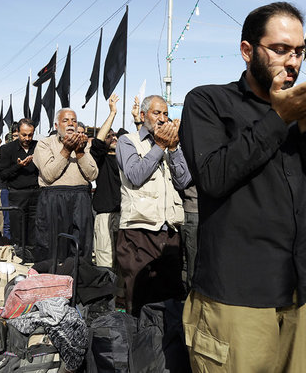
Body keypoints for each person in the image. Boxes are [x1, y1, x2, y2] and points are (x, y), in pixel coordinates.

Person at [178, 2, 306, 372]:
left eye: (299, 52)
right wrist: (280, 118)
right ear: (248, 51)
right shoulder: (209, 101)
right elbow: (214, 177)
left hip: (300, 292)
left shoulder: (301, 117)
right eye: (280, 49)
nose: (292, 62)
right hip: (237, 298)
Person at [116, 94, 191, 315]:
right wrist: (158, 146)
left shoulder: (170, 145)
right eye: (156, 113)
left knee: (171, 295)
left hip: (169, 231)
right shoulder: (128, 141)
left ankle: (164, 346)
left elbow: (184, 180)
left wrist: (174, 149)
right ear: (142, 115)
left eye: (166, 114)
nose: (162, 118)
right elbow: (135, 175)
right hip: (138, 230)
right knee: (139, 295)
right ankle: (138, 342)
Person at [33, 108, 98, 262]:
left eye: (74, 121)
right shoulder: (45, 144)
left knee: (81, 244)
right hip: (54, 199)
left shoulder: (83, 145)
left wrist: (80, 152)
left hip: (80, 198)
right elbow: (49, 175)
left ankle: (79, 280)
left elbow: (93, 174)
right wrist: (66, 150)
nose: (70, 124)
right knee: (53, 246)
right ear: (56, 126)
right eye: (65, 120)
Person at [0, 118, 40, 253]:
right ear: (17, 132)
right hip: (17, 194)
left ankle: (32, 256)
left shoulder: (38, 147)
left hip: (36, 194)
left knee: (34, 228)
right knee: (17, 229)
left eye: (30, 135)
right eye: (24, 135)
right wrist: (18, 166)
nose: (27, 138)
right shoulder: (7, 149)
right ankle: (19, 254)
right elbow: (3, 175)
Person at [89, 94, 123, 268]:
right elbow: (98, 142)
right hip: (104, 214)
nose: (114, 138)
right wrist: (112, 114)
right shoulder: (99, 159)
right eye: (110, 136)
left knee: (124, 261)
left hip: (125, 215)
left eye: (116, 135)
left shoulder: (127, 161)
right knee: (105, 258)